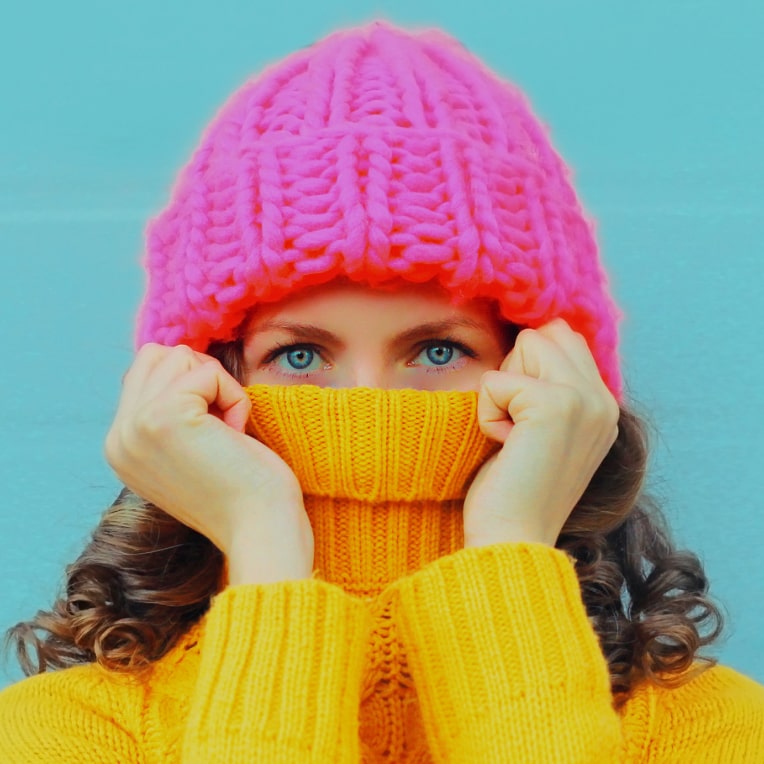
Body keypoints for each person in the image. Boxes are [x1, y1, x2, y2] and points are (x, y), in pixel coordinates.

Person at [1, 19, 762, 763]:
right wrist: (267, 555)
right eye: (299, 354)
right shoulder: (62, 733)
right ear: (201, 386)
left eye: (438, 350)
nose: (367, 402)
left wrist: (509, 557)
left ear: (552, 378)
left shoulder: (706, 728)